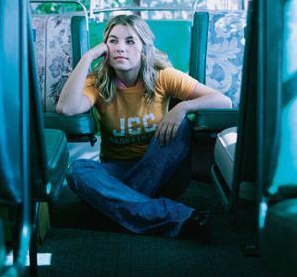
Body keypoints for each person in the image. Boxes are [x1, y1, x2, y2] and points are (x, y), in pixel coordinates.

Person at [56, 14, 232, 239]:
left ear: (144, 47)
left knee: (182, 126)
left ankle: (111, 206)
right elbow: (66, 108)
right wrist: (88, 56)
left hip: (163, 172)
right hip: (117, 171)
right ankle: (172, 216)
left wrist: (182, 108)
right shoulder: (97, 82)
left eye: (130, 41)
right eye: (113, 41)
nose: (121, 48)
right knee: (78, 170)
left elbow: (223, 101)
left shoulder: (163, 77)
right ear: (105, 48)